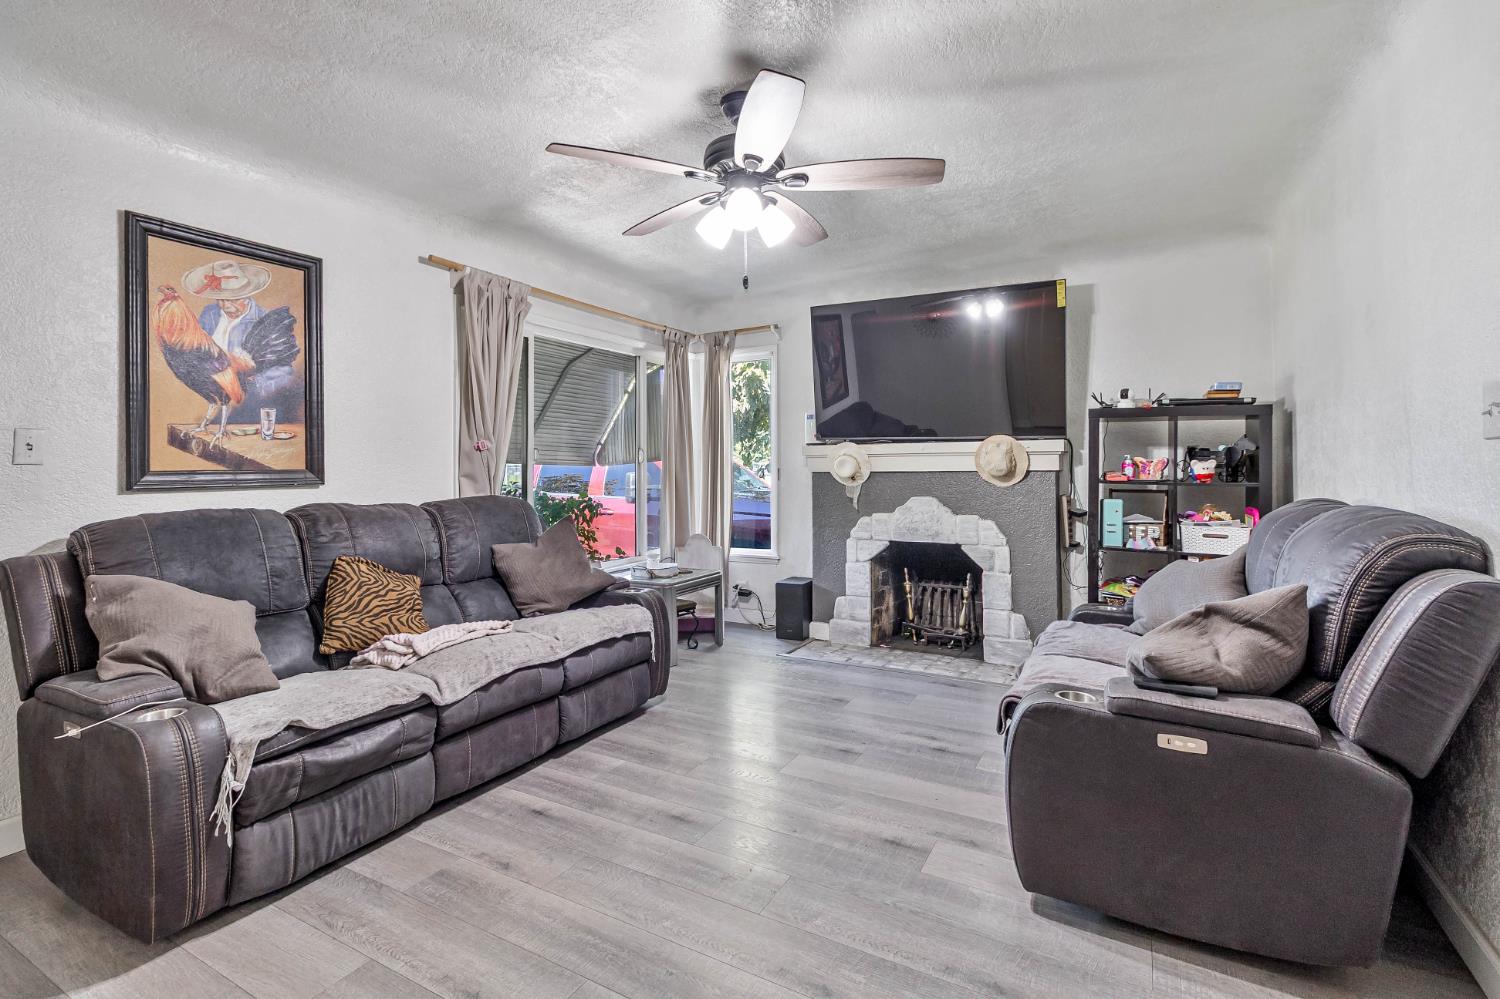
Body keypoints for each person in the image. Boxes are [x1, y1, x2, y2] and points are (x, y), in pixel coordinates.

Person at [183, 259, 301, 423]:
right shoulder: (209, 314)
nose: (225, 306)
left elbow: (284, 373)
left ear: (247, 295)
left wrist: (252, 380)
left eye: (232, 299)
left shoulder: (264, 322)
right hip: (216, 397)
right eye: (220, 299)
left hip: (248, 406)